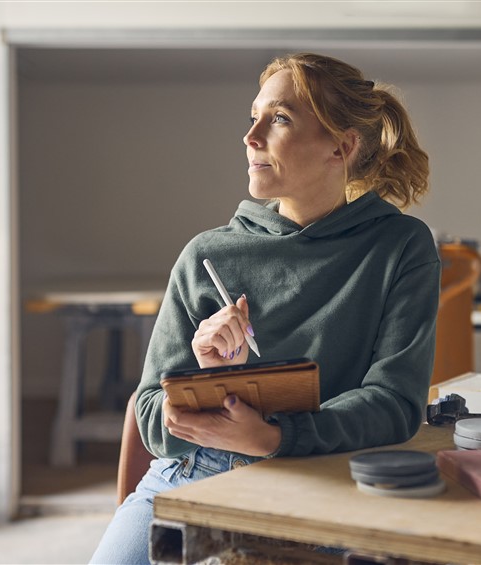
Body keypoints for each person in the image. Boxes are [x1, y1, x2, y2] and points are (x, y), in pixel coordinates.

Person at [89, 52, 439, 564]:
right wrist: (205, 385)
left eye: (278, 118)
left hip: (329, 483)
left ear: (341, 146)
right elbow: (149, 416)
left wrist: (276, 437)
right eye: (253, 117)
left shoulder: (401, 246)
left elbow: (395, 403)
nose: (250, 136)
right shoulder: (205, 254)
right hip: (195, 474)